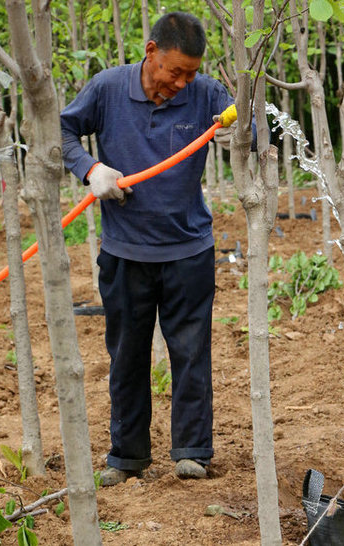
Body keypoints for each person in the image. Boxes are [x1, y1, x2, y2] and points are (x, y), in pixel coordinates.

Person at [60, 11, 235, 485]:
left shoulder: (207, 93)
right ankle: (127, 456)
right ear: (150, 51)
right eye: (174, 71)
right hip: (124, 252)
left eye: (190, 73)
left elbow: (252, 129)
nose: (181, 82)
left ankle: (193, 451)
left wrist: (242, 128)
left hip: (189, 250)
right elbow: (62, 133)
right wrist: (91, 169)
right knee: (127, 355)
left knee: (191, 352)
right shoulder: (108, 88)